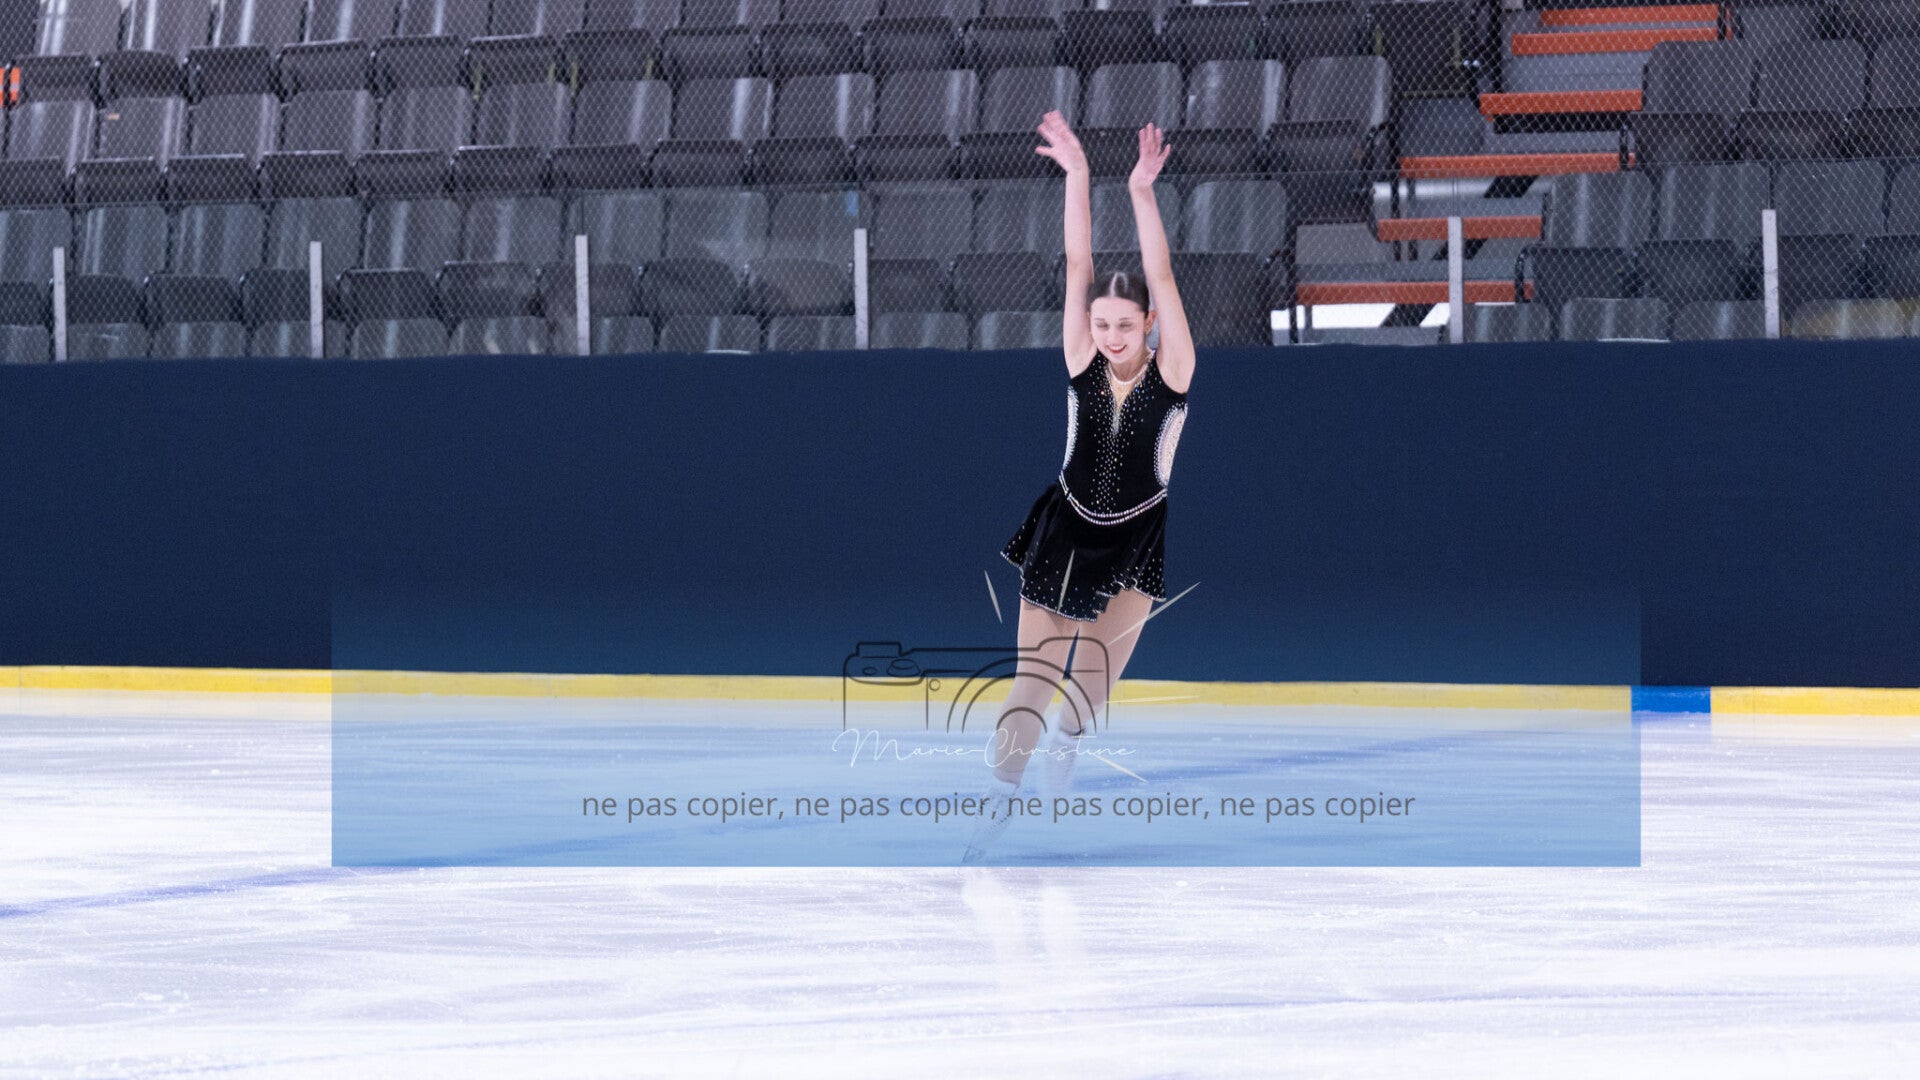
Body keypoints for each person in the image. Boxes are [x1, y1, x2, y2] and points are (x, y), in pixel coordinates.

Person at [962, 113, 1196, 863]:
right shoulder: (1079, 360)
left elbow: (1163, 275)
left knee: (1091, 688)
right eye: (1101, 324)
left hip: (1137, 536)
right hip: (1066, 530)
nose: (1111, 337)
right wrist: (1078, 176)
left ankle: (1067, 741)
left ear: (1149, 324)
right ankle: (997, 803)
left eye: (1124, 325)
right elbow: (1076, 263)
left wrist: (1141, 193)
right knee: (1033, 680)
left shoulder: (1174, 372)